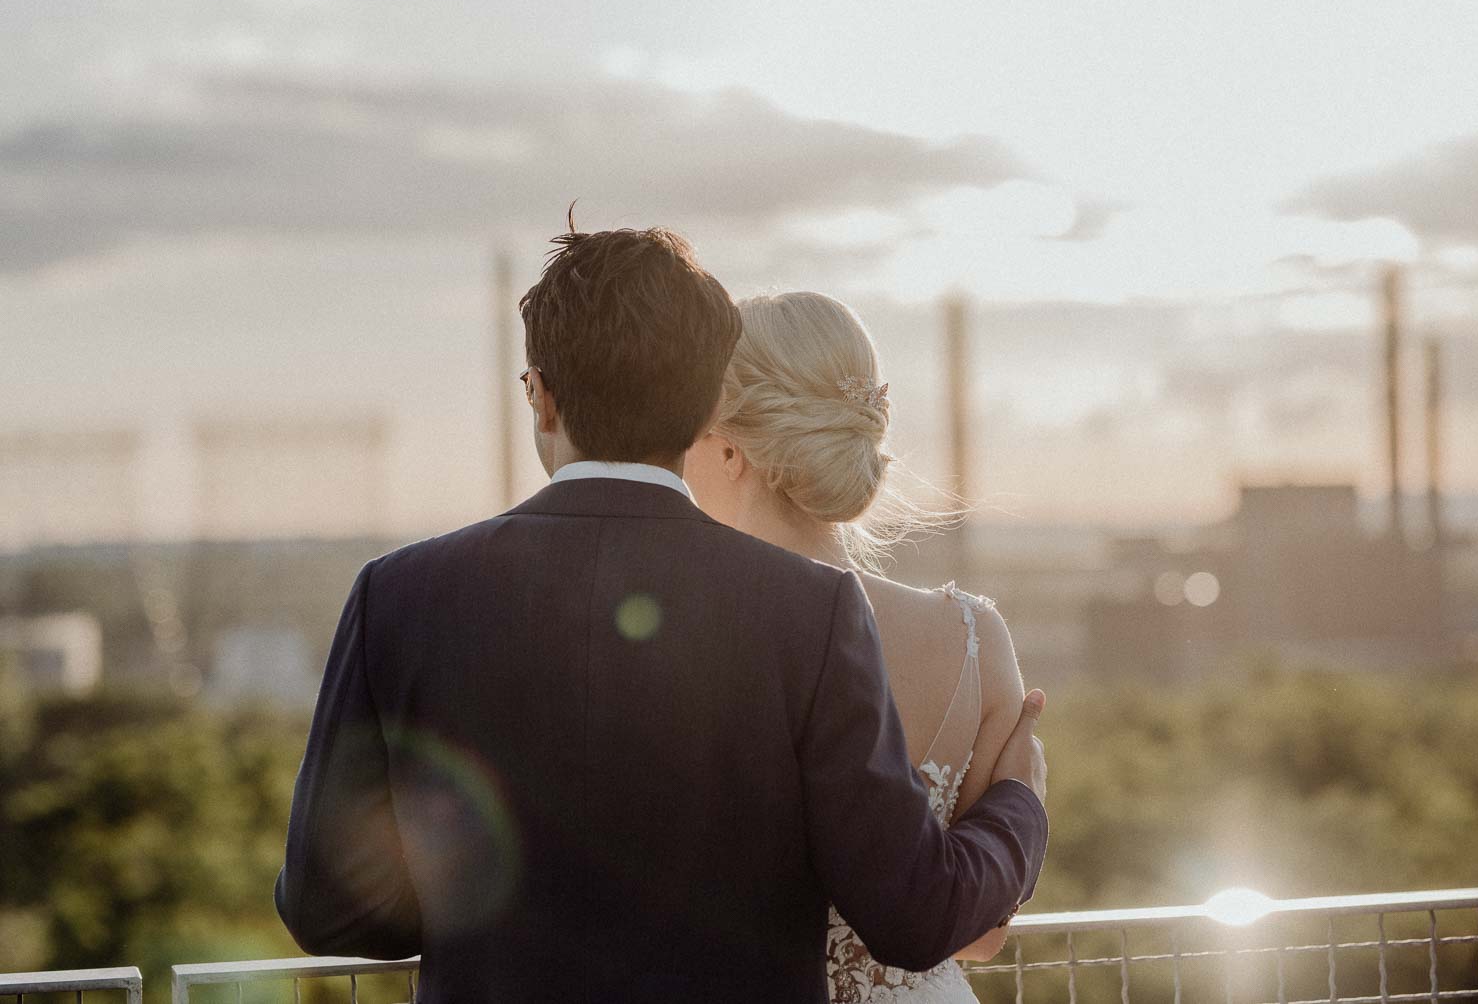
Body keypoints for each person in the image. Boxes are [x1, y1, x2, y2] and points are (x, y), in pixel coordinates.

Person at [273, 221, 1048, 1003]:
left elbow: (330, 912)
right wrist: (1018, 803)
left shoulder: (399, 594)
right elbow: (912, 916)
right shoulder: (811, 610)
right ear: (703, 403)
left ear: (540, 396)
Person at [684, 291, 1028, 1003]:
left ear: (728, 447)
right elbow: (983, 934)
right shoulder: (974, 639)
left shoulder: (690, 638)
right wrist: (1025, 804)